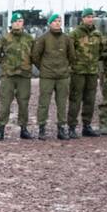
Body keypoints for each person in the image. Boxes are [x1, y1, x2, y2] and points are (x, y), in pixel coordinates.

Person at [0, 11, 34, 141]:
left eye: (20, 21)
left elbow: (35, 54)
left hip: (24, 76)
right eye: (16, 21)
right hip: (8, 76)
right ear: (12, 23)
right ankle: (1, 129)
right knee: (5, 104)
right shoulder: (4, 38)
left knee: (24, 103)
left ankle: (24, 129)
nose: (18, 23)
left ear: (23, 23)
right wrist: (4, 63)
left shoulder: (29, 38)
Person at [31, 12, 74, 140]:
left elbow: (72, 56)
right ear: (50, 23)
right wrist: (43, 68)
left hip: (62, 76)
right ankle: (42, 128)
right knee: (44, 103)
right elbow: (35, 56)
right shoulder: (43, 38)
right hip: (47, 76)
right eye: (55, 21)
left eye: (59, 21)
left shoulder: (67, 39)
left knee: (62, 103)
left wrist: (66, 68)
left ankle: (61, 128)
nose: (57, 23)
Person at [68, 9, 104, 137]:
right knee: (75, 99)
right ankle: (71, 127)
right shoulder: (75, 34)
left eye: (91, 17)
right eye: (87, 17)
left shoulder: (97, 34)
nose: (90, 19)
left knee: (90, 99)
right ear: (82, 19)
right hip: (78, 71)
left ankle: (86, 126)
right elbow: (69, 52)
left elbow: (101, 51)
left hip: (92, 71)